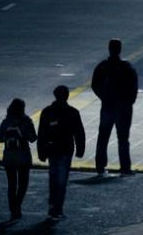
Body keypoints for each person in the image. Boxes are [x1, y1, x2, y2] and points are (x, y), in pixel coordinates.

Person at [91, 38, 138, 177]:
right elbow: (134, 86)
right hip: (123, 107)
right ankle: (125, 167)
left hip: (107, 106)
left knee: (103, 137)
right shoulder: (126, 67)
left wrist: (103, 96)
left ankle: (100, 166)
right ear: (120, 49)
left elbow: (94, 84)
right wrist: (130, 101)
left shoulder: (103, 66)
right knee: (123, 138)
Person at [37, 86, 85, 221]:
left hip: (52, 149)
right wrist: (80, 149)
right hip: (66, 149)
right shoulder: (72, 112)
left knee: (53, 177)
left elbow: (42, 133)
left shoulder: (47, 112)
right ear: (67, 96)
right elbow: (79, 132)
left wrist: (41, 151)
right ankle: (57, 208)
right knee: (62, 180)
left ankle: (52, 206)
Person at [0, 98, 37, 222]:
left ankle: (13, 209)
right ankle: (17, 205)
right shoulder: (26, 121)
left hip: (9, 157)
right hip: (23, 156)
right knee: (23, 184)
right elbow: (33, 138)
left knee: (12, 184)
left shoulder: (6, 121)